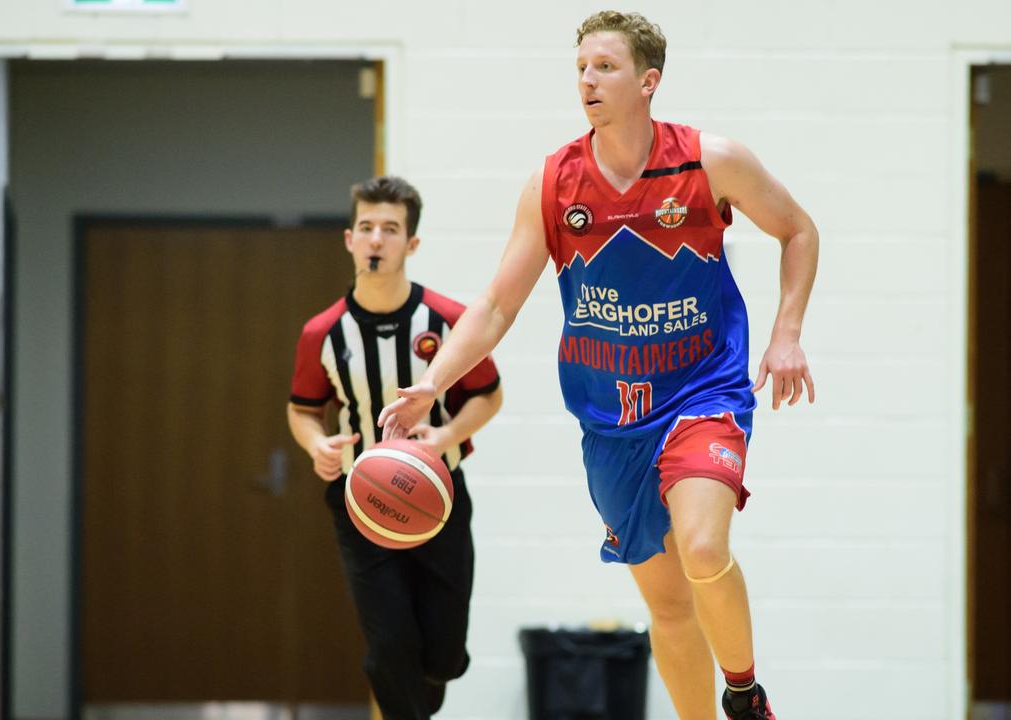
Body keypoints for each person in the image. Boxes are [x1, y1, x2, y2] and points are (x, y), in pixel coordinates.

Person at [379, 11, 817, 720]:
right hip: (611, 419)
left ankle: (744, 691)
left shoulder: (710, 160)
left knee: (704, 548)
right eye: (581, 66)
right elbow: (495, 304)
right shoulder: (553, 182)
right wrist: (433, 381)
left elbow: (799, 230)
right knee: (669, 607)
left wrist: (786, 332)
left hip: (704, 388)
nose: (587, 79)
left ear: (649, 81)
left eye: (605, 67)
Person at [287, 176, 503, 720]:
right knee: (389, 648)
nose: (377, 239)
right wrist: (318, 445)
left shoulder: (449, 320)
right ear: (349, 240)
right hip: (360, 503)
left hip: (438, 500)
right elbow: (302, 409)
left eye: (390, 229)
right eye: (366, 228)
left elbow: (489, 396)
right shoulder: (323, 333)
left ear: (412, 245)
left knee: (444, 655)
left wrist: (447, 436)